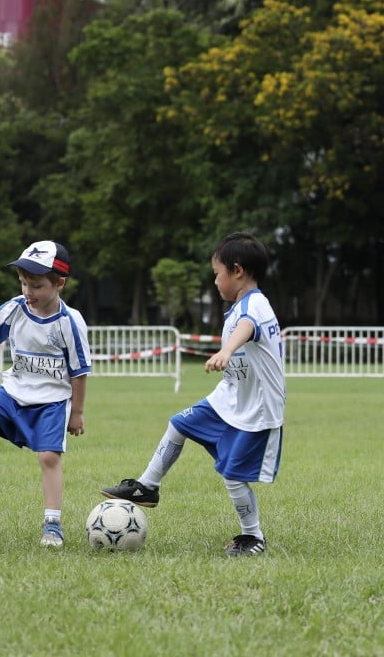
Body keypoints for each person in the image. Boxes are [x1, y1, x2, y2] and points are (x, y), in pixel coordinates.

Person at [102, 232, 285, 556]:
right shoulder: (242, 303)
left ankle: (252, 536)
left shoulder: (255, 304)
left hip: (256, 409)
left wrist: (226, 351)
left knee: (232, 475)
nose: (215, 281)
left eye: (217, 274)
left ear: (237, 271)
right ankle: (148, 486)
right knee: (179, 423)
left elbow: (246, 328)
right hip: (228, 398)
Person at [0, 240, 90, 549]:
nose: (28, 291)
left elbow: (79, 372)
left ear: (59, 283)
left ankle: (52, 522)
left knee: (49, 457)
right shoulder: (16, 307)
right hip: (14, 390)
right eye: (23, 282)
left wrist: (76, 412)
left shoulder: (70, 323)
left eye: (36, 285)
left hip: (52, 399)